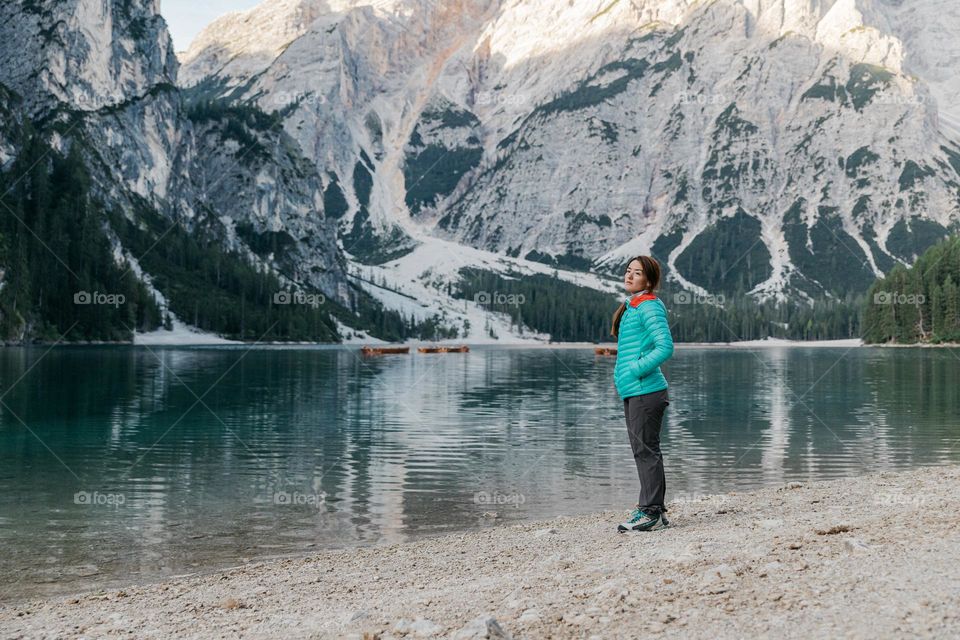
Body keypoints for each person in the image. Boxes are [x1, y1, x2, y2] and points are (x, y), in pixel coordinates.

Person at [610, 255, 675, 532]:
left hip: (645, 391)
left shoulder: (648, 306)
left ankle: (649, 512)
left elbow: (665, 347)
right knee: (643, 450)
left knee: (646, 451)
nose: (629, 276)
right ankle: (654, 511)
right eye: (628, 271)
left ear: (648, 280)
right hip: (635, 391)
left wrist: (635, 369)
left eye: (636, 273)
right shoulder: (632, 306)